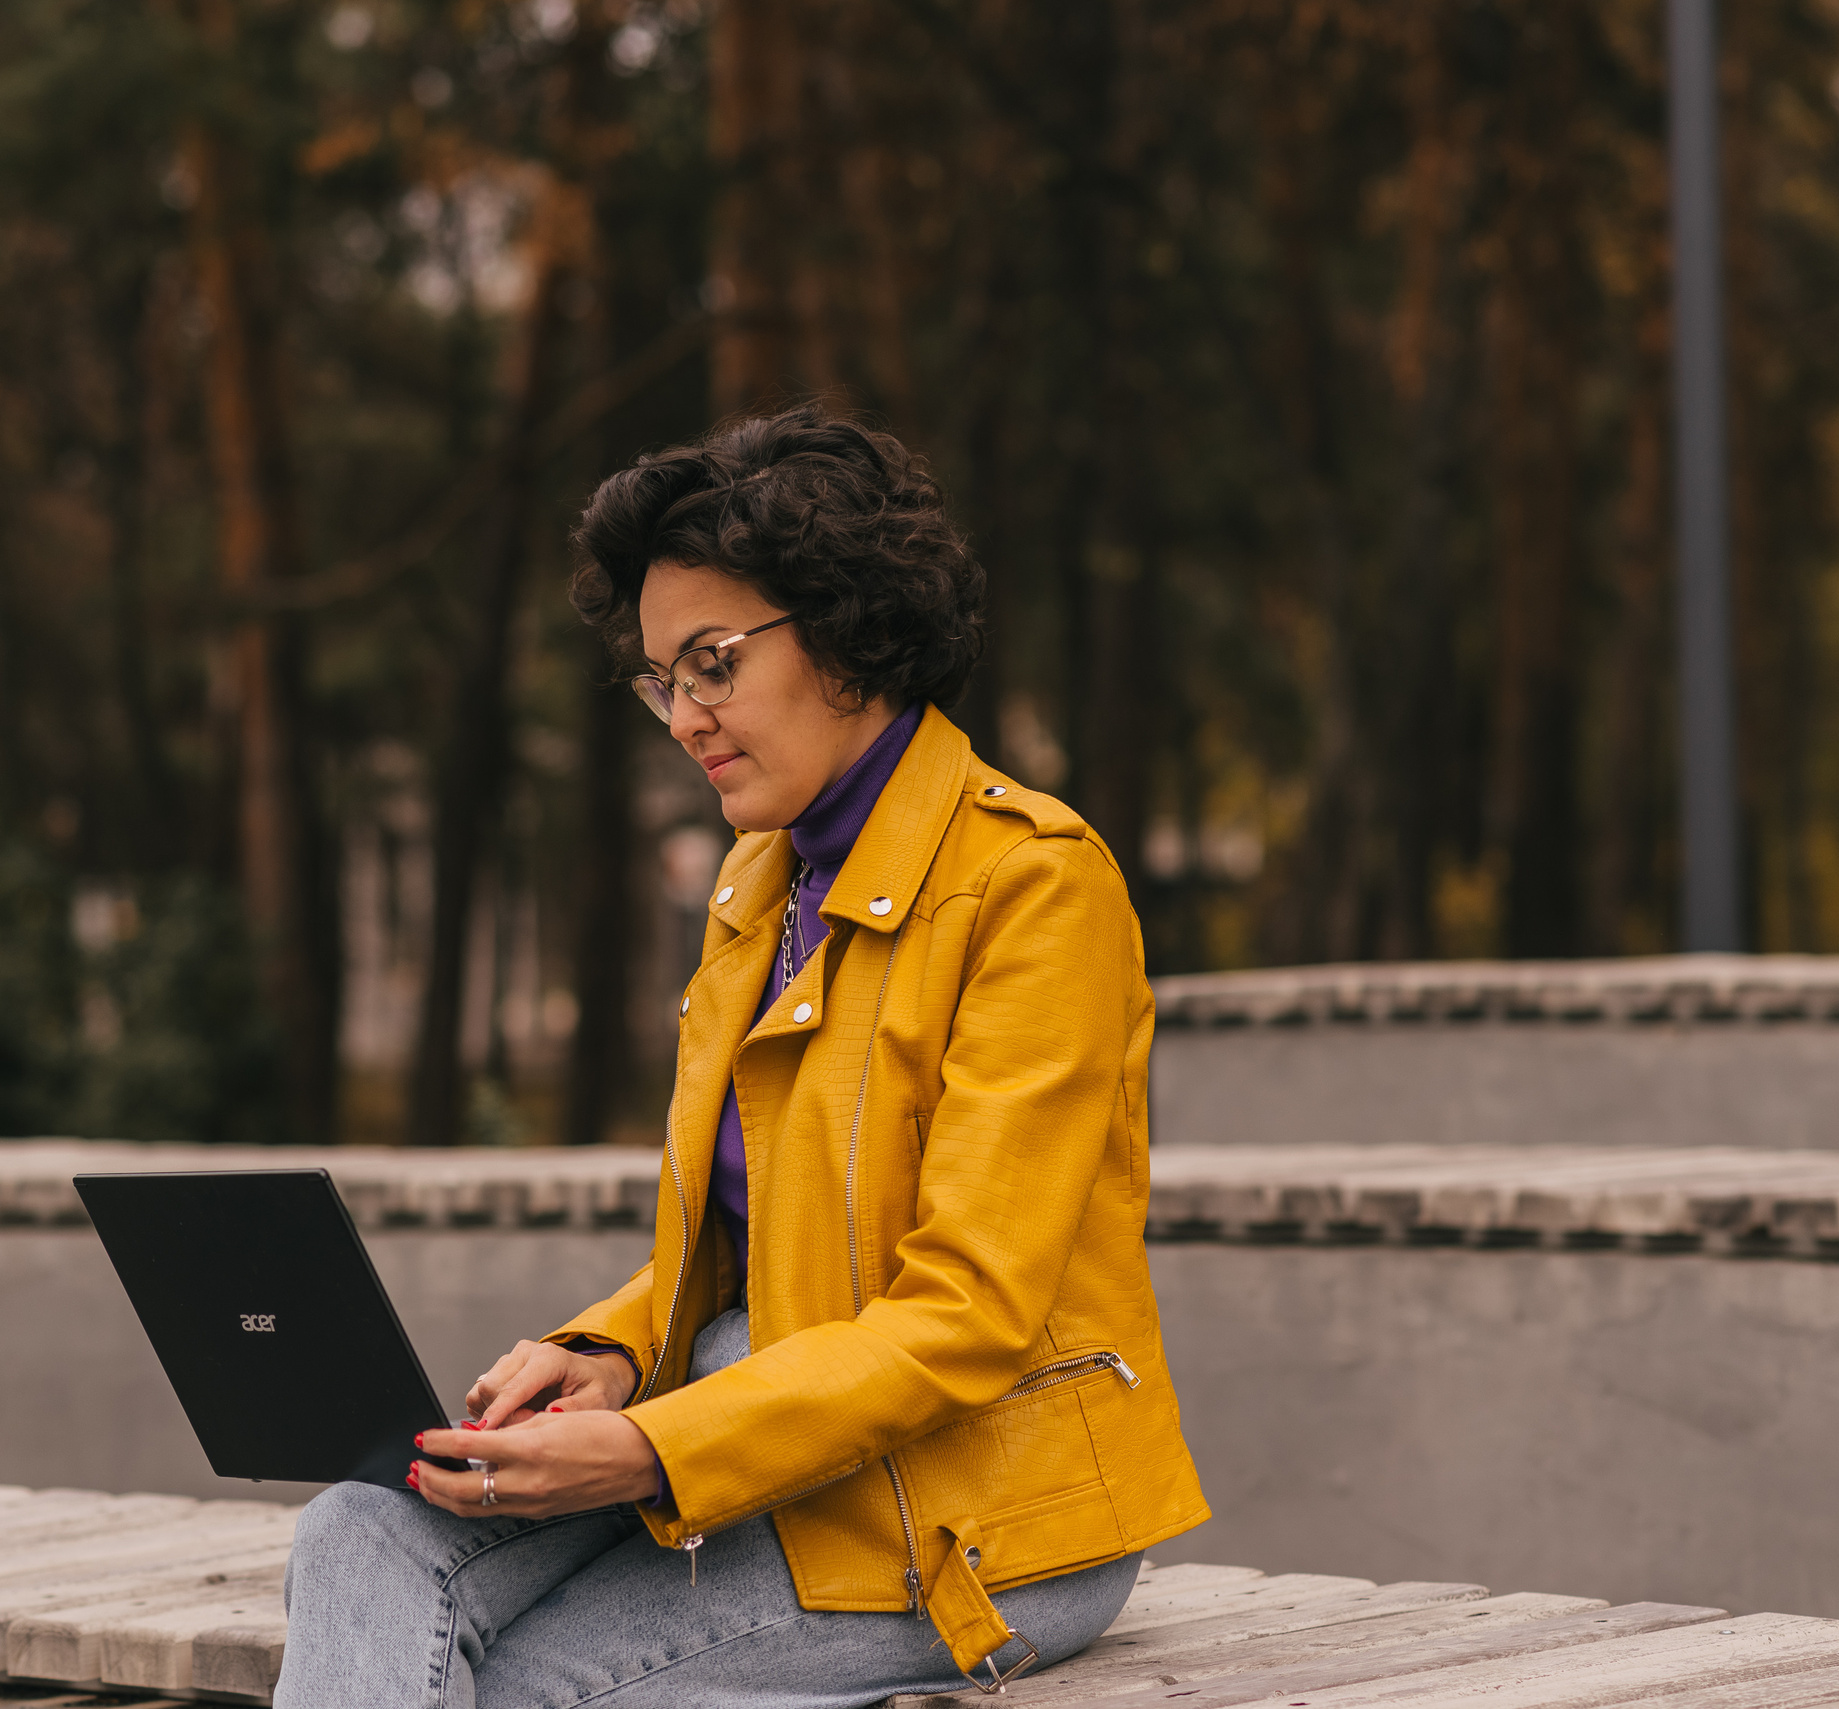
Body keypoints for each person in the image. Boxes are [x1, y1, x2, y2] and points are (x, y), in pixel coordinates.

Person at [277, 406, 1208, 1709]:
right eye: (665, 678)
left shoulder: (1033, 886)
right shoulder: (760, 881)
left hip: (977, 1512)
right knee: (359, 1531)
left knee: (530, 1687)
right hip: (755, 1435)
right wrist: (604, 1352)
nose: (684, 715)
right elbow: (753, 1234)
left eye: (713, 662)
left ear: (846, 626)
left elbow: (963, 1318)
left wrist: (648, 1447)